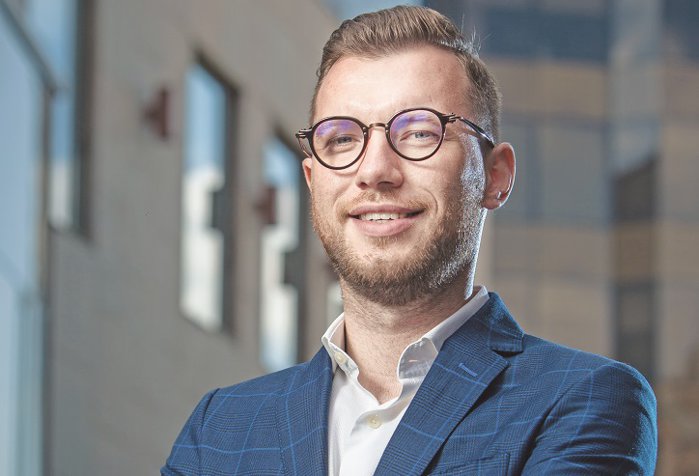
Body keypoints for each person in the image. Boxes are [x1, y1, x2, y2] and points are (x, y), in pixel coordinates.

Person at [162, 6, 657, 475]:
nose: (374, 170)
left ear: (495, 176)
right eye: (342, 139)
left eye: (419, 132)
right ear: (312, 182)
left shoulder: (582, 400)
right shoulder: (219, 428)